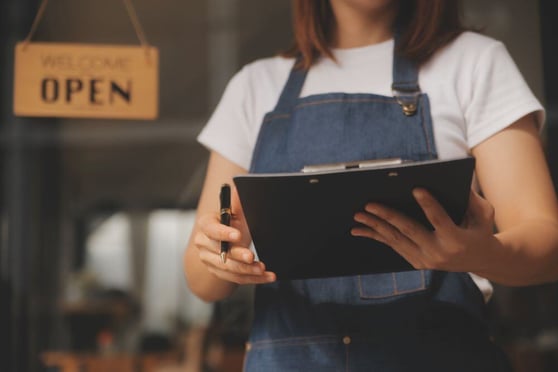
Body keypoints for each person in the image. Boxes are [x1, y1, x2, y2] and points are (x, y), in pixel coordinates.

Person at [184, 0, 558, 370]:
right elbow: (203, 280)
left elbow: (548, 243)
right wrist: (222, 251)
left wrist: (482, 255)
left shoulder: (476, 62)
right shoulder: (254, 86)